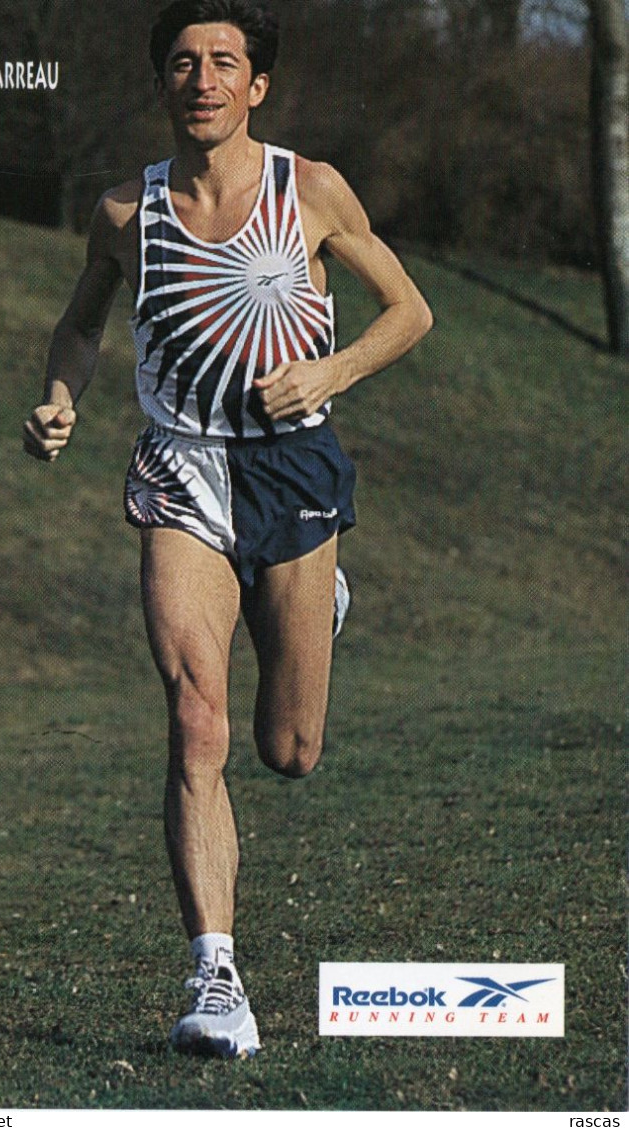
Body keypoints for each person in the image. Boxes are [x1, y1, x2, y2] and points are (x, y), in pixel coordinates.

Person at [23, 0, 432, 1059]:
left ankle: (316, 610)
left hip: (295, 465)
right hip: (180, 473)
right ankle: (215, 975)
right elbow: (80, 322)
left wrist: (329, 372)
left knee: (288, 749)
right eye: (182, 63)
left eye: (223, 63)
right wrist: (61, 395)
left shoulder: (311, 190)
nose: (201, 78)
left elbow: (410, 310)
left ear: (255, 86)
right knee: (196, 719)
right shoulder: (125, 212)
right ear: (162, 83)